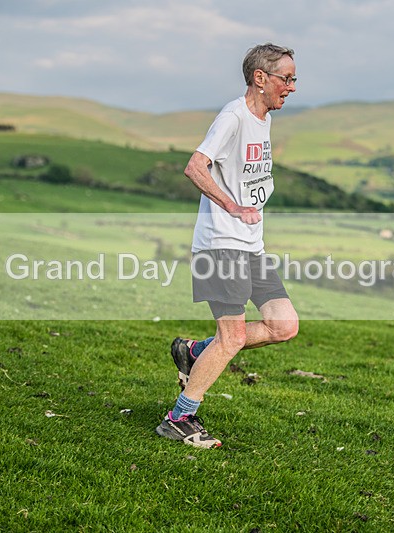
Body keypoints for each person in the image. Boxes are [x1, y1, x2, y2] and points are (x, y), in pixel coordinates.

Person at [155, 43, 300, 448]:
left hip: (250, 246)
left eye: (294, 79)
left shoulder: (263, 119)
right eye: (286, 79)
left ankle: (194, 352)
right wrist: (232, 206)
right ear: (260, 78)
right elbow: (195, 167)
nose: (292, 87)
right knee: (232, 337)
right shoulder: (233, 116)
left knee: (284, 325)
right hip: (221, 245)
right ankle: (179, 418)